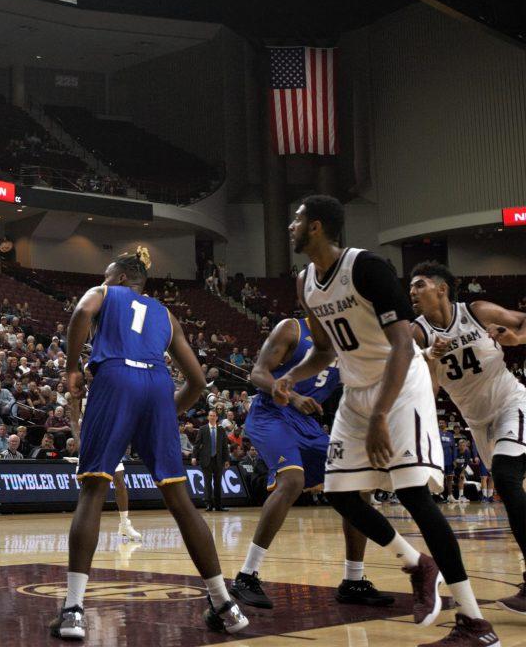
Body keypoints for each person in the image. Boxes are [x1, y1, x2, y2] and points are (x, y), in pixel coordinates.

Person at [280, 195, 496, 645]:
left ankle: (475, 622)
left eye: (297, 220)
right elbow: (323, 350)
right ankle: (417, 564)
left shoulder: (366, 267)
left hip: (400, 386)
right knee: (340, 494)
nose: (291, 227)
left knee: (413, 493)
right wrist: (289, 377)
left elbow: (402, 344)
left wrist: (381, 413)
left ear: (317, 227)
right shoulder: (304, 282)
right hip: (357, 390)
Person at [52, 252, 248, 641]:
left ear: (121, 277)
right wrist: (161, 411)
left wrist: (73, 367)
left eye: (107, 274)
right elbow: (196, 382)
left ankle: (73, 610)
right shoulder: (165, 314)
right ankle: (225, 604)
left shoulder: (105, 293)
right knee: (179, 498)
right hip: (158, 384)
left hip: (115, 377)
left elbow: (80, 314)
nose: (102, 278)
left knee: (93, 489)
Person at [230, 317, 392, 610]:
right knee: (292, 481)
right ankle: (246, 576)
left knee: (358, 482)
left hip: (307, 423)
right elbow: (257, 373)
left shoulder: (349, 344)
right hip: (271, 414)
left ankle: (353, 580)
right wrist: (291, 397)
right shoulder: (292, 328)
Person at [409, 260, 526, 613]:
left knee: (505, 476)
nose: (412, 292)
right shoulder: (418, 334)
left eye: (419, 285)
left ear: (441, 288)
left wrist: (515, 338)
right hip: (477, 423)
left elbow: (522, 324)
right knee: (508, 489)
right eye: (411, 288)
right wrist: (430, 360)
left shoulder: (476, 311)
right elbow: (427, 395)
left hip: (512, 403)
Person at [195, 411, 230, 511]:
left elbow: (224, 446)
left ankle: (218, 506)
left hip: (218, 460)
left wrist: (226, 459)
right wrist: (194, 457)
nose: (212, 417)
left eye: (214, 416)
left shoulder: (221, 430)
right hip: (206, 459)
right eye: (210, 415)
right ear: (207, 417)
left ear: (217, 418)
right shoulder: (203, 429)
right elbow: (197, 444)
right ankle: (209, 504)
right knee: (207, 482)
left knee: (218, 483)